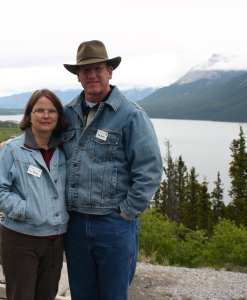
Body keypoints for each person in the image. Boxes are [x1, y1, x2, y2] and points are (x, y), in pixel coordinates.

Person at [59, 40, 163, 300]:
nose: (91, 75)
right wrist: (13, 144)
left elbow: (149, 171)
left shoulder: (131, 115)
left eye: (97, 69)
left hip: (113, 224)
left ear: (110, 71)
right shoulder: (66, 114)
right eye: (85, 71)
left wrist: (126, 213)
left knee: (114, 295)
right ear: (78, 76)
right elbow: (42, 143)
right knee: (82, 294)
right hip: (75, 224)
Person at [0, 89, 69, 300]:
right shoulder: (13, 150)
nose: (46, 115)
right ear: (29, 115)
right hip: (20, 240)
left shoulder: (64, 150)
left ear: (58, 116)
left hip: (54, 241)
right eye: (39, 110)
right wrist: (26, 209)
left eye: (51, 110)